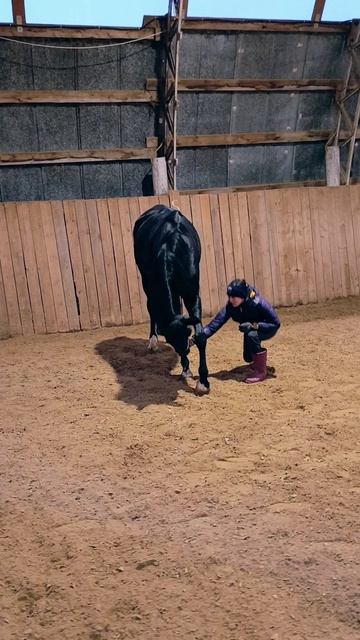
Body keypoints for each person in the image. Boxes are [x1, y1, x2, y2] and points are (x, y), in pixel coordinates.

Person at [193, 279, 280, 384]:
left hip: (267, 328)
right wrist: (200, 336)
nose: (230, 300)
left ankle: (261, 371)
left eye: (233, 297)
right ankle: (256, 363)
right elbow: (215, 324)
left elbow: (276, 323)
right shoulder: (231, 307)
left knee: (252, 335)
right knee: (247, 357)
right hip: (251, 330)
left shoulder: (259, 303)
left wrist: (255, 326)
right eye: (229, 296)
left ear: (242, 296)